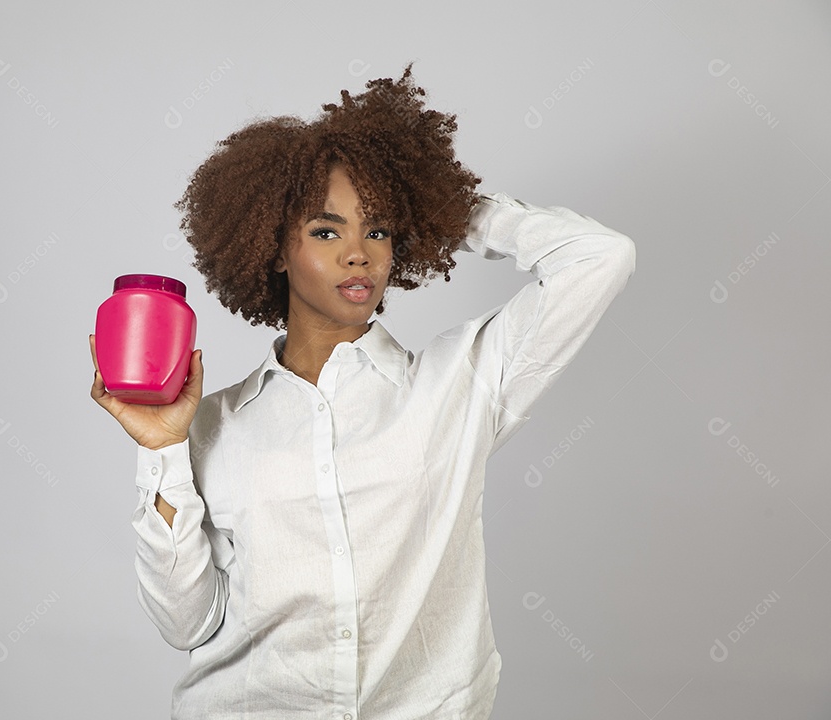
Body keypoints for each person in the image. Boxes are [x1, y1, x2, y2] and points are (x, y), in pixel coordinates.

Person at [89, 61, 636, 719]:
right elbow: (187, 625)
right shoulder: (211, 425)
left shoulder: (459, 383)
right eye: (327, 231)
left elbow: (599, 257)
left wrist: (446, 206)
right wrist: (162, 452)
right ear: (276, 249)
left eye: (377, 229)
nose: (359, 253)